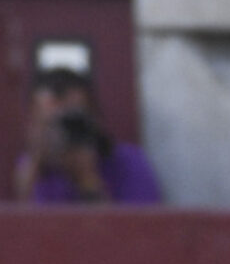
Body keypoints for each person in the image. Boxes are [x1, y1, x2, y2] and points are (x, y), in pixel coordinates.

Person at [12, 67, 161, 205]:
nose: (63, 131)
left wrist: (88, 181)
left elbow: (140, 228)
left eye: (72, 121)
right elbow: (24, 227)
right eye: (52, 123)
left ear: (94, 117)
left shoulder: (127, 161)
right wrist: (32, 171)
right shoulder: (34, 166)